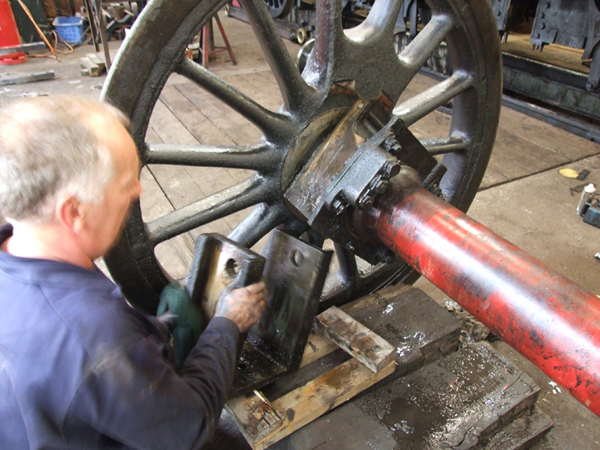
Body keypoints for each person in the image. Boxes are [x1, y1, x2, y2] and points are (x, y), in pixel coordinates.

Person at [0, 96, 266, 449]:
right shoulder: (96, 334)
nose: (138, 191)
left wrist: (149, 334)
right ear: (74, 212)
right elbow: (189, 429)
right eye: (126, 183)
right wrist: (226, 325)